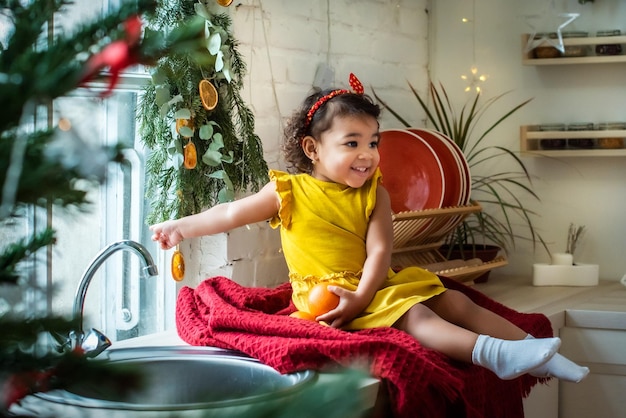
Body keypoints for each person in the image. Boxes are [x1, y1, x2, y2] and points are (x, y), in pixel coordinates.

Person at [150, 74, 589, 383]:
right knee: (415, 314)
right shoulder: (289, 192)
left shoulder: (373, 192)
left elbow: (380, 252)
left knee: (450, 298)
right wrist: (181, 227)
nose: (368, 153)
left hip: (368, 285)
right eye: (352, 143)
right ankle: (497, 355)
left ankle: (537, 351)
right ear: (313, 149)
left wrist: (364, 293)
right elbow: (229, 214)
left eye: (373, 141)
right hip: (327, 295)